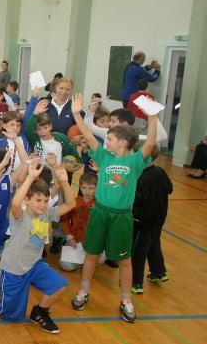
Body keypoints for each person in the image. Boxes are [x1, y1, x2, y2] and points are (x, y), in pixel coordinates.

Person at [69, 92, 158, 322]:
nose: (105, 142)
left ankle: (126, 299)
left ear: (123, 142)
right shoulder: (105, 158)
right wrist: (77, 114)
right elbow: (88, 134)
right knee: (91, 254)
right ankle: (84, 290)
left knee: (124, 260)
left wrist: (152, 118)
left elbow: (149, 143)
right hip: (100, 213)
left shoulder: (135, 161)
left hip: (122, 218)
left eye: (109, 139)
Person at [0, 159, 75, 334]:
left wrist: (64, 182)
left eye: (46, 200)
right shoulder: (20, 216)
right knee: (10, 315)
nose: (42, 204)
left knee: (60, 285)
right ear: (28, 199)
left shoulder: (47, 213)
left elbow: (70, 204)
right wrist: (30, 177)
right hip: (13, 270)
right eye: (38, 200)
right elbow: (15, 203)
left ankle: (40, 311)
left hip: (34, 265)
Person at [131, 146, 173, 293]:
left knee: (138, 251)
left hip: (142, 222)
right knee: (153, 244)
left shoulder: (140, 176)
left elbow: (139, 199)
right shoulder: (160, 171)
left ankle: (136, 283)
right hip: (159, 219)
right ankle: (159, 272)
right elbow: (170, 188)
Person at [59, 172, 98, 272]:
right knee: (66, 266)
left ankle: (86, 261)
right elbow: (65, 219)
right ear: (80, 187)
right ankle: (79, 260)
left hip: (92, 242)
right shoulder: (74, 202)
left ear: (97, 188)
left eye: (91, 188)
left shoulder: (99, 204)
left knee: (100, 259)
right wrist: (68, 235)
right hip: (75, 241)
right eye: (84, 188)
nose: (87, 192)